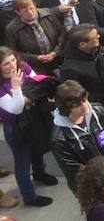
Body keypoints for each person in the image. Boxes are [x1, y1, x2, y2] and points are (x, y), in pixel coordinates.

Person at [0, 46, 56, 208]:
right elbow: (15, 109)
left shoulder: (23, 66)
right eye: (6, 64)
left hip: (33, 117)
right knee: (22, 160)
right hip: (15, 127)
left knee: (38, 148)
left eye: (12, 60)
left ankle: (40, 173)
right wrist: (17, 89)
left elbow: (38, 86)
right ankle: (29, 197)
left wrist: (26, 97)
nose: (12, 66)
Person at [51, 80, 104, 192]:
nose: (85, 106)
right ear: (66, 109)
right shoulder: (59, 139)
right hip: (90, 186)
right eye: (77, 105)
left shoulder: (99, 110)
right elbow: (75, 170)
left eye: (84, 100)